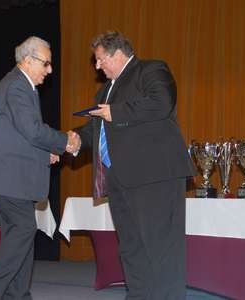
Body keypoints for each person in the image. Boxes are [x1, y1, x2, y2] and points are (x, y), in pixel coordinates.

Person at [74, 31, 195, 299]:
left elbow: (161, 103)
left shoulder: (151, 69)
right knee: (131, 246)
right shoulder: (105, 90)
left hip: (155, 176)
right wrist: (73, 141)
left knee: (161, 247)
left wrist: (114, 112)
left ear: (117, 54)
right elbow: (96, 131)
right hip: (121, 179)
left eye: (100, 59)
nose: (97, 66)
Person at [0, 36, 79, 300]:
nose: (49, 70)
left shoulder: (20, 85)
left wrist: (46, 154)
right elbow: (32, 130)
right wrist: (64, 141)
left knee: (18, 234)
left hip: (9, 177)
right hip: (7, 178)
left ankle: (17, 295)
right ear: (29, 61)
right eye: (46, 64)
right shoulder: (18, 86)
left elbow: (17, 135)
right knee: (23, 229)